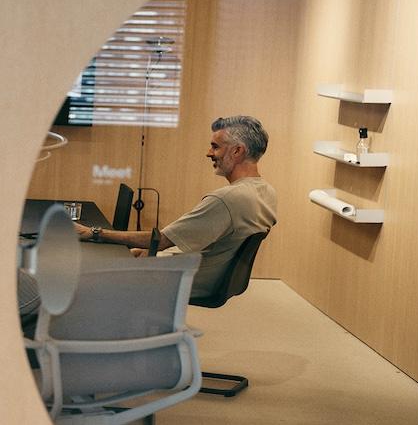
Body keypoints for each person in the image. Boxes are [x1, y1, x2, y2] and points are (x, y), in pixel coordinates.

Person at [74, 115, 277, 300]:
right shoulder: (266, 192)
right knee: (131, 255)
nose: (209, 153)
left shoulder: (228, 199)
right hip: (209, 278)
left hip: (186, 279)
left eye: (215, 147)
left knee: (86, 269)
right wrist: (154, 255)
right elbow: (198, 243)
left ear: (237, 150)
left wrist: (94, 232)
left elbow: (161, 240)